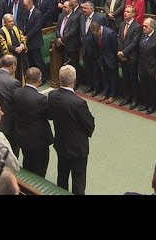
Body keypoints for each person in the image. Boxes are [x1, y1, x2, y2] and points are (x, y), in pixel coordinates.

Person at [48, 65, 95, 195]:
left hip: (61, 144)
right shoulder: (79, 103)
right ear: (75, 80)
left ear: (60, 78)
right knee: (78, 181)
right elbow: (90, 125)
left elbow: (50, 115)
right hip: (77, 149)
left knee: (62, 177)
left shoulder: (52, 95)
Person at [13, 67, 54, 177]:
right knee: (40, 170)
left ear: (26, 78)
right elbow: (50, 116)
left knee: (27, 164)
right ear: (39, 81)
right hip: (39, 141)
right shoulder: (41, 99)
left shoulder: (17, 92)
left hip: (23, 137)